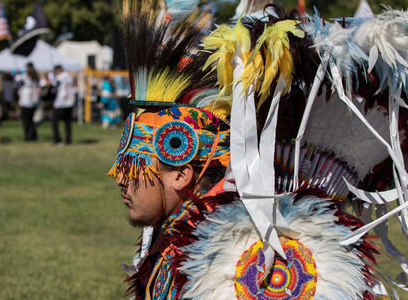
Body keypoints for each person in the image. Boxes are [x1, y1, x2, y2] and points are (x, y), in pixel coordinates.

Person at [110, 1, 407, 299]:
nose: (121, 180)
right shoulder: (178, 236)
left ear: (181, 175)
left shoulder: (253, 258)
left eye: (135, 168)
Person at [51, 64, 74, 146]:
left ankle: (58, 140)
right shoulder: (69, 76)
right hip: (70, 100)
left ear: (58, 70)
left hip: (61, 102)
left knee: (54, 121)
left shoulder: (58, 78)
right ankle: (68, 140)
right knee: (67, 122)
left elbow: (54, 89)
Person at [18, 62, 40, 141]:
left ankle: (28, 136)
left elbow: (19, 84)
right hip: (33, 99)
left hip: (26, 100)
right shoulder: (36, 76)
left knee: (26, 120)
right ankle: (33, 135)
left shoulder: (25, 76)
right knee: (31, 119)